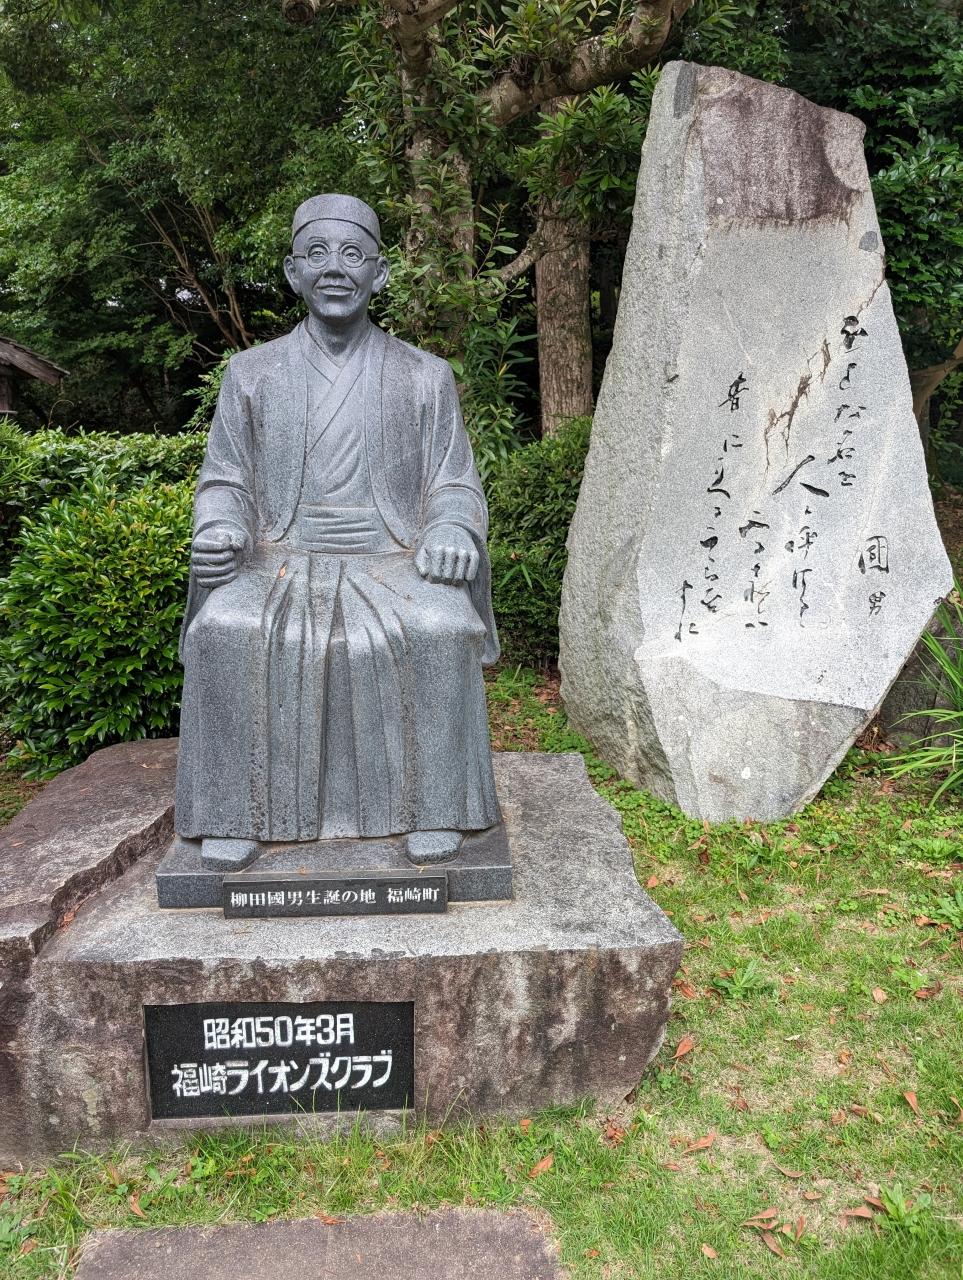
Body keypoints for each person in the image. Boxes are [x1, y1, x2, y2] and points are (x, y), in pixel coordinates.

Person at [174, 194, 500, 871]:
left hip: (392, 557)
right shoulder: (251, 374)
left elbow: (454, 482)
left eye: (353, 254)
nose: (334, 268)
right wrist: (222, 525)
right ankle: (235, 814)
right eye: (316, 253)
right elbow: (225, 480)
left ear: (380, 273)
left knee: (442, 627)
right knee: (224, 627)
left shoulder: (424, 376)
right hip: (281, 555)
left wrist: (449, 527)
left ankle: (433, 808)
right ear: (292, 272)